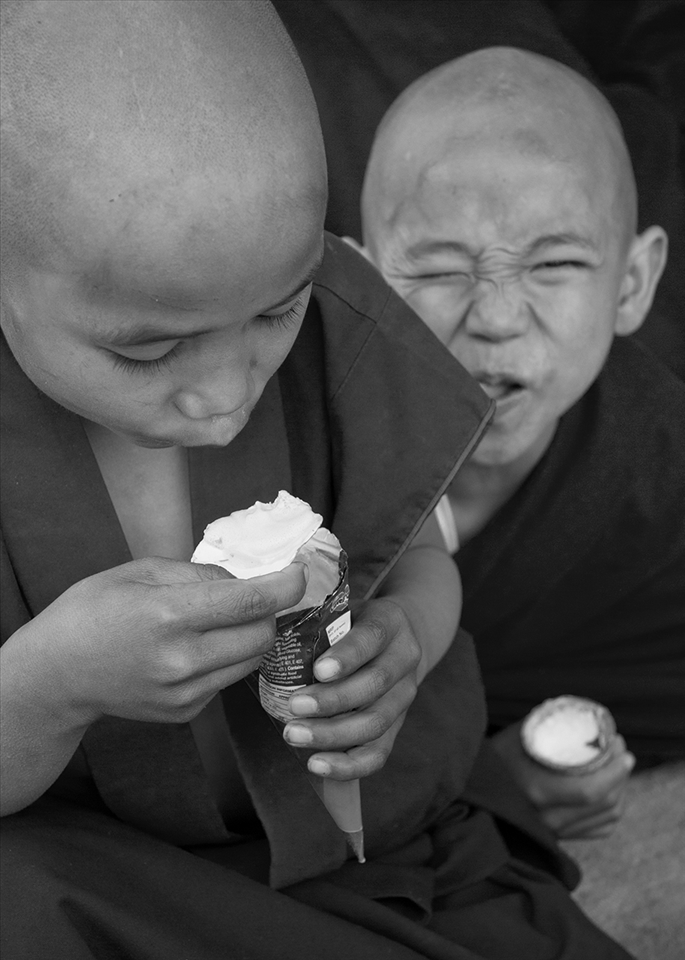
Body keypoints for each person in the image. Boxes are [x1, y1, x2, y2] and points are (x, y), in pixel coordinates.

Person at [0, 4, 636, 958]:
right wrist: (50, 686)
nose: (224, 397)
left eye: (277, 311)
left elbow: (416, 551)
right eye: (153, 351)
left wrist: (406, 641)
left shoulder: (343, 321)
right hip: (115, 874)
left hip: (388, 845)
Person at [356, 46, 685, 845]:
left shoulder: (664, 478)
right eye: (437, 270)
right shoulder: (285, 461)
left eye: (556, 263)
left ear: (632, 285)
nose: (497, 317)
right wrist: (477, 781)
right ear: (362, 287)